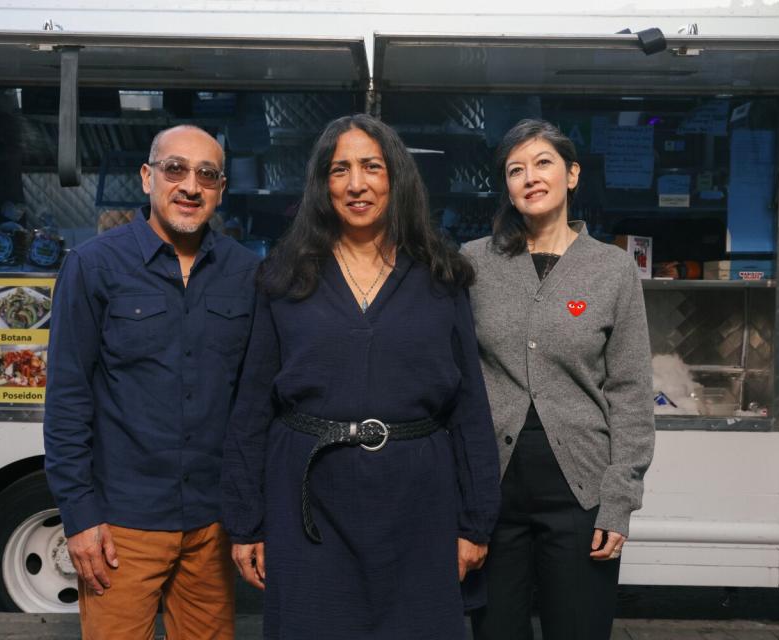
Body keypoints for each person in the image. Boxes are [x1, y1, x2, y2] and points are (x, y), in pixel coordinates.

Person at [221, 113, 501, 639]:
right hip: (308, 501)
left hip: (419, 504)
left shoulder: (442, 276)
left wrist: (474, 522)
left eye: (371, 167)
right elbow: (253, 405)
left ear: (395, 178)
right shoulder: (284, 276)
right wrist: (246, 521)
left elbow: (469, 410)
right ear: (321, 185)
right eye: (339, 169)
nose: (356, 184)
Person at [44, 125, 260, 640]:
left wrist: (251, 517)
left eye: (207, 174)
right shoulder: (94, 267)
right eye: (175, 169)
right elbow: (68, 401)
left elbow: (253, 407)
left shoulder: (246, 273)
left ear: (221, 189)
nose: (191, 185)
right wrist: (79, 516)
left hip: (212, 525)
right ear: (147, 177)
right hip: (122, 526)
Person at [462, 119, 655, 640]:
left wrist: (620, 500)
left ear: (571, 174)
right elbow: (453, 377)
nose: (530, 177)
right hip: (494, 486)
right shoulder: (473, 263)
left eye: (542, 163)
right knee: (495, 630)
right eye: (515, 169)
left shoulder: (611, 269)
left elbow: (631, 390)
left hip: (581, 488)